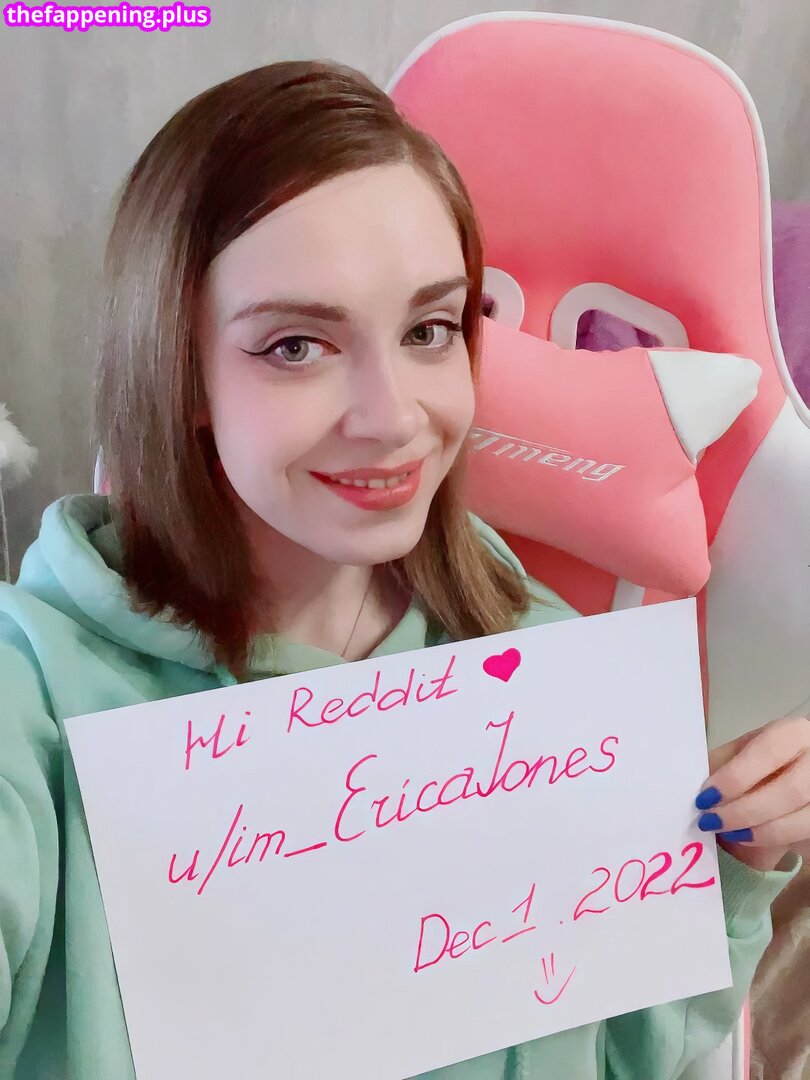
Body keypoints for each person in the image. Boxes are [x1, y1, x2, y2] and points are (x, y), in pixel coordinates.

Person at [0, 60, 805, 1080]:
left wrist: (733, 860)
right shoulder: (31, 698)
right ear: (180, 367)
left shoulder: (550, 677)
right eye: (296, 346)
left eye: (429, 331)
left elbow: (623, 1057)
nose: (393, 419)